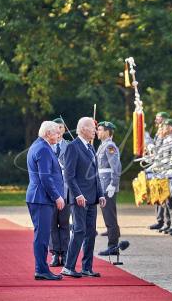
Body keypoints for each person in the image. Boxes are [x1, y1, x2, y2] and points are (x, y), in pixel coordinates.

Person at [61, 117, 106, 278]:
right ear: (83, 129)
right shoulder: (73, 147)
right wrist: (78, 194)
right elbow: (69, 176)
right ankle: (68, 266)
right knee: (79, 231)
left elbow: (95, 175)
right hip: (79, 198)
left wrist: (100, 194)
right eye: (92, 128)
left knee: (90, 233)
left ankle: (87, 267)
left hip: (92, 199)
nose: (95, 130)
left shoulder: (91, 148)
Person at [26, 121, 65, 280]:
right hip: (41, 198)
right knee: (42, 236)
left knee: (42, 234)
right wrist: (57, 196)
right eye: (56, 132)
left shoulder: (38, 145)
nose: (58, 135)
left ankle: (41, 269)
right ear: (48, 133)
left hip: (39, 197)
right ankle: (41, 270)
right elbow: (45, 177)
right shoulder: (43, 149)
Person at [95, 121, 128, 256]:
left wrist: (113, 185)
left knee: (110, 217)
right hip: (103, 184)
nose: (97, 132)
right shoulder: (102, 146)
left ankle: (113, 245)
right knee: (108, 215)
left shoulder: (109, 146)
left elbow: (116, 168)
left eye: (100, 129)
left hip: (108, 185)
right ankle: (113, 242)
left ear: (108, 132)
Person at [48, 118, 71, 267]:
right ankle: (55, 254)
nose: (59, 130)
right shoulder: (47, 146)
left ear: (64, 129)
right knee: (52, 224)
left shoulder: (69, 146)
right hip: (51, 190)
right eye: (56, 128)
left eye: (61, 127)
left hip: (66, 190)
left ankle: (65, 253)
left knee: (64, 223)